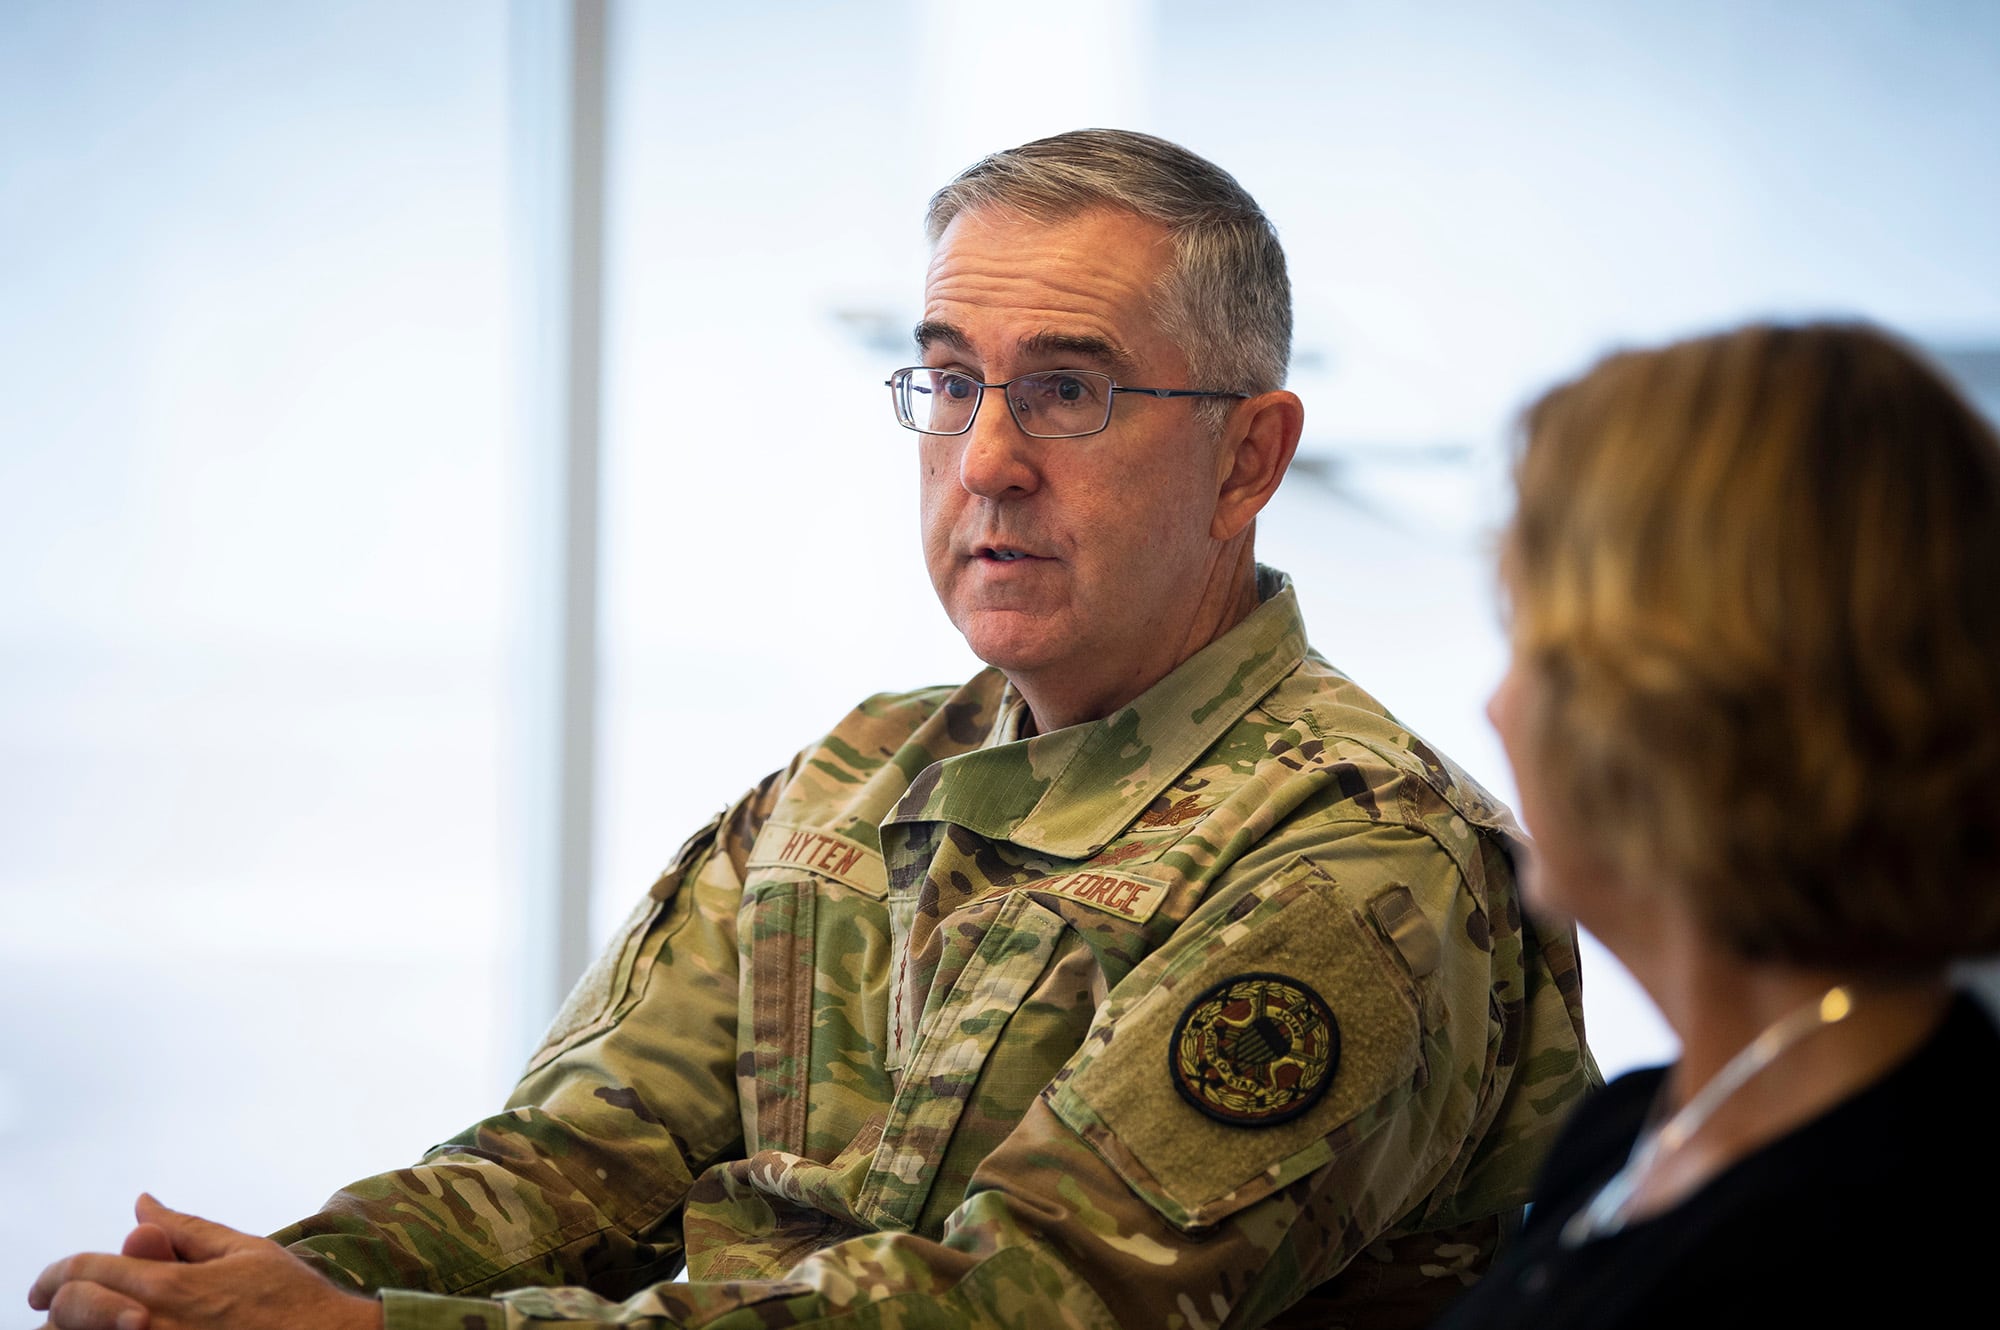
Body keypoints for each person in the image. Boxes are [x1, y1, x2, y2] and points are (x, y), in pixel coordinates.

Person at [32, 129, 1595, 1330]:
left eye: (1066, 390)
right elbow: (567, 1164)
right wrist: (263, 1283)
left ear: (1249, 456)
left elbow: (1016, 1310)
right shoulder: (859, 776)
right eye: (947, 381)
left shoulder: (1357, 858)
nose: (985, 459)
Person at [1437, 322, 2000, 1328]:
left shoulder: (1880, 1235)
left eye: (1528, 644)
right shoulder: (1633, 1127)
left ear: (1667, 698)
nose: (1496, 709)